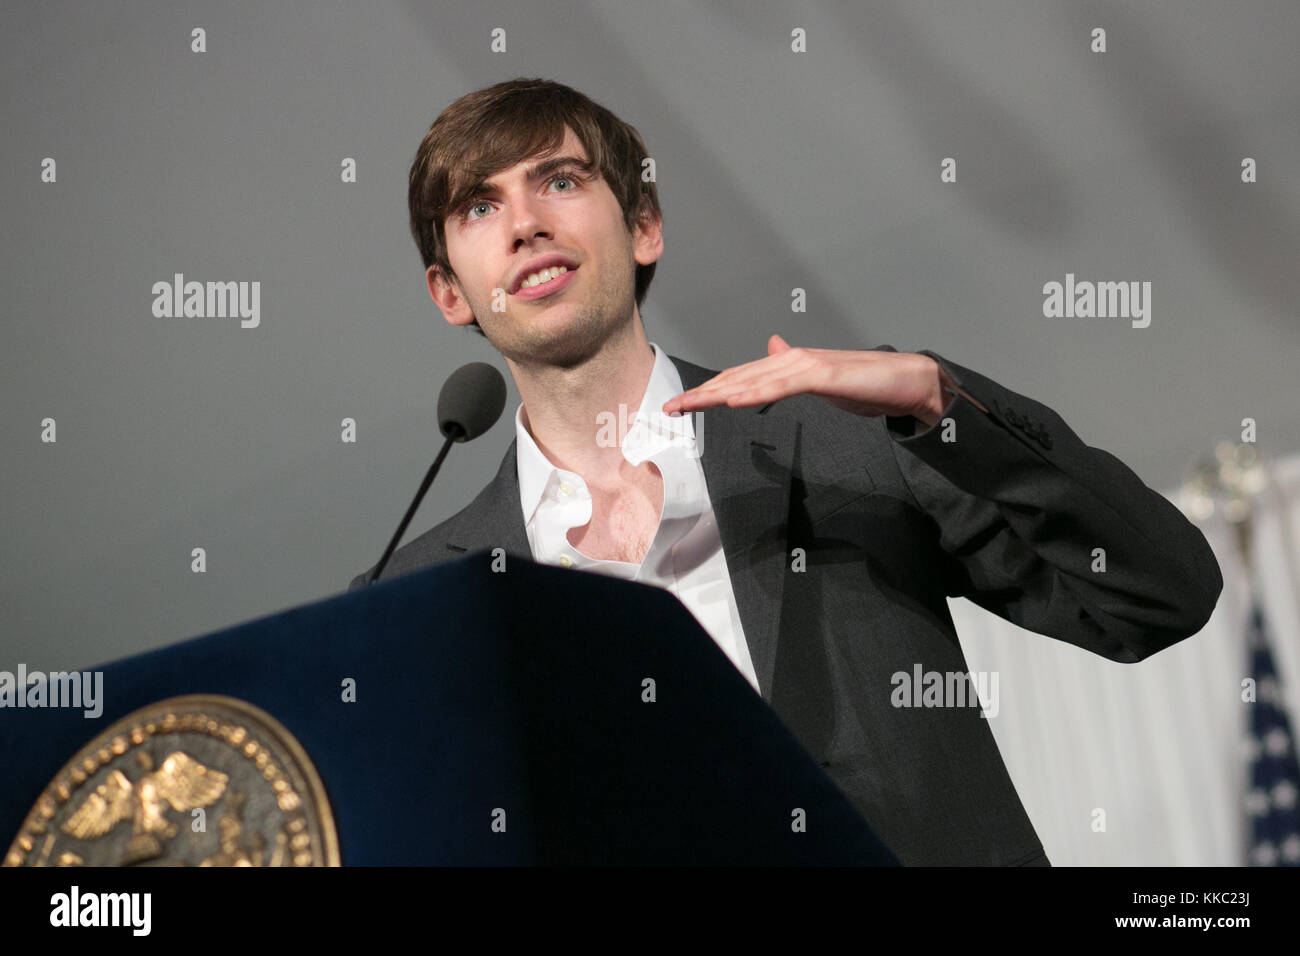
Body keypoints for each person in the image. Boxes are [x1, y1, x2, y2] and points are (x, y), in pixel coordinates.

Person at [351, 77, 1223, 865]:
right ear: (450, 292)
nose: (525, 223)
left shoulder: (853, 439)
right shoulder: (426, 597)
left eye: (562, 181)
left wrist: (940, 408)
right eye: (478, 207)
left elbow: (1159, 596)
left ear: (644, 226)